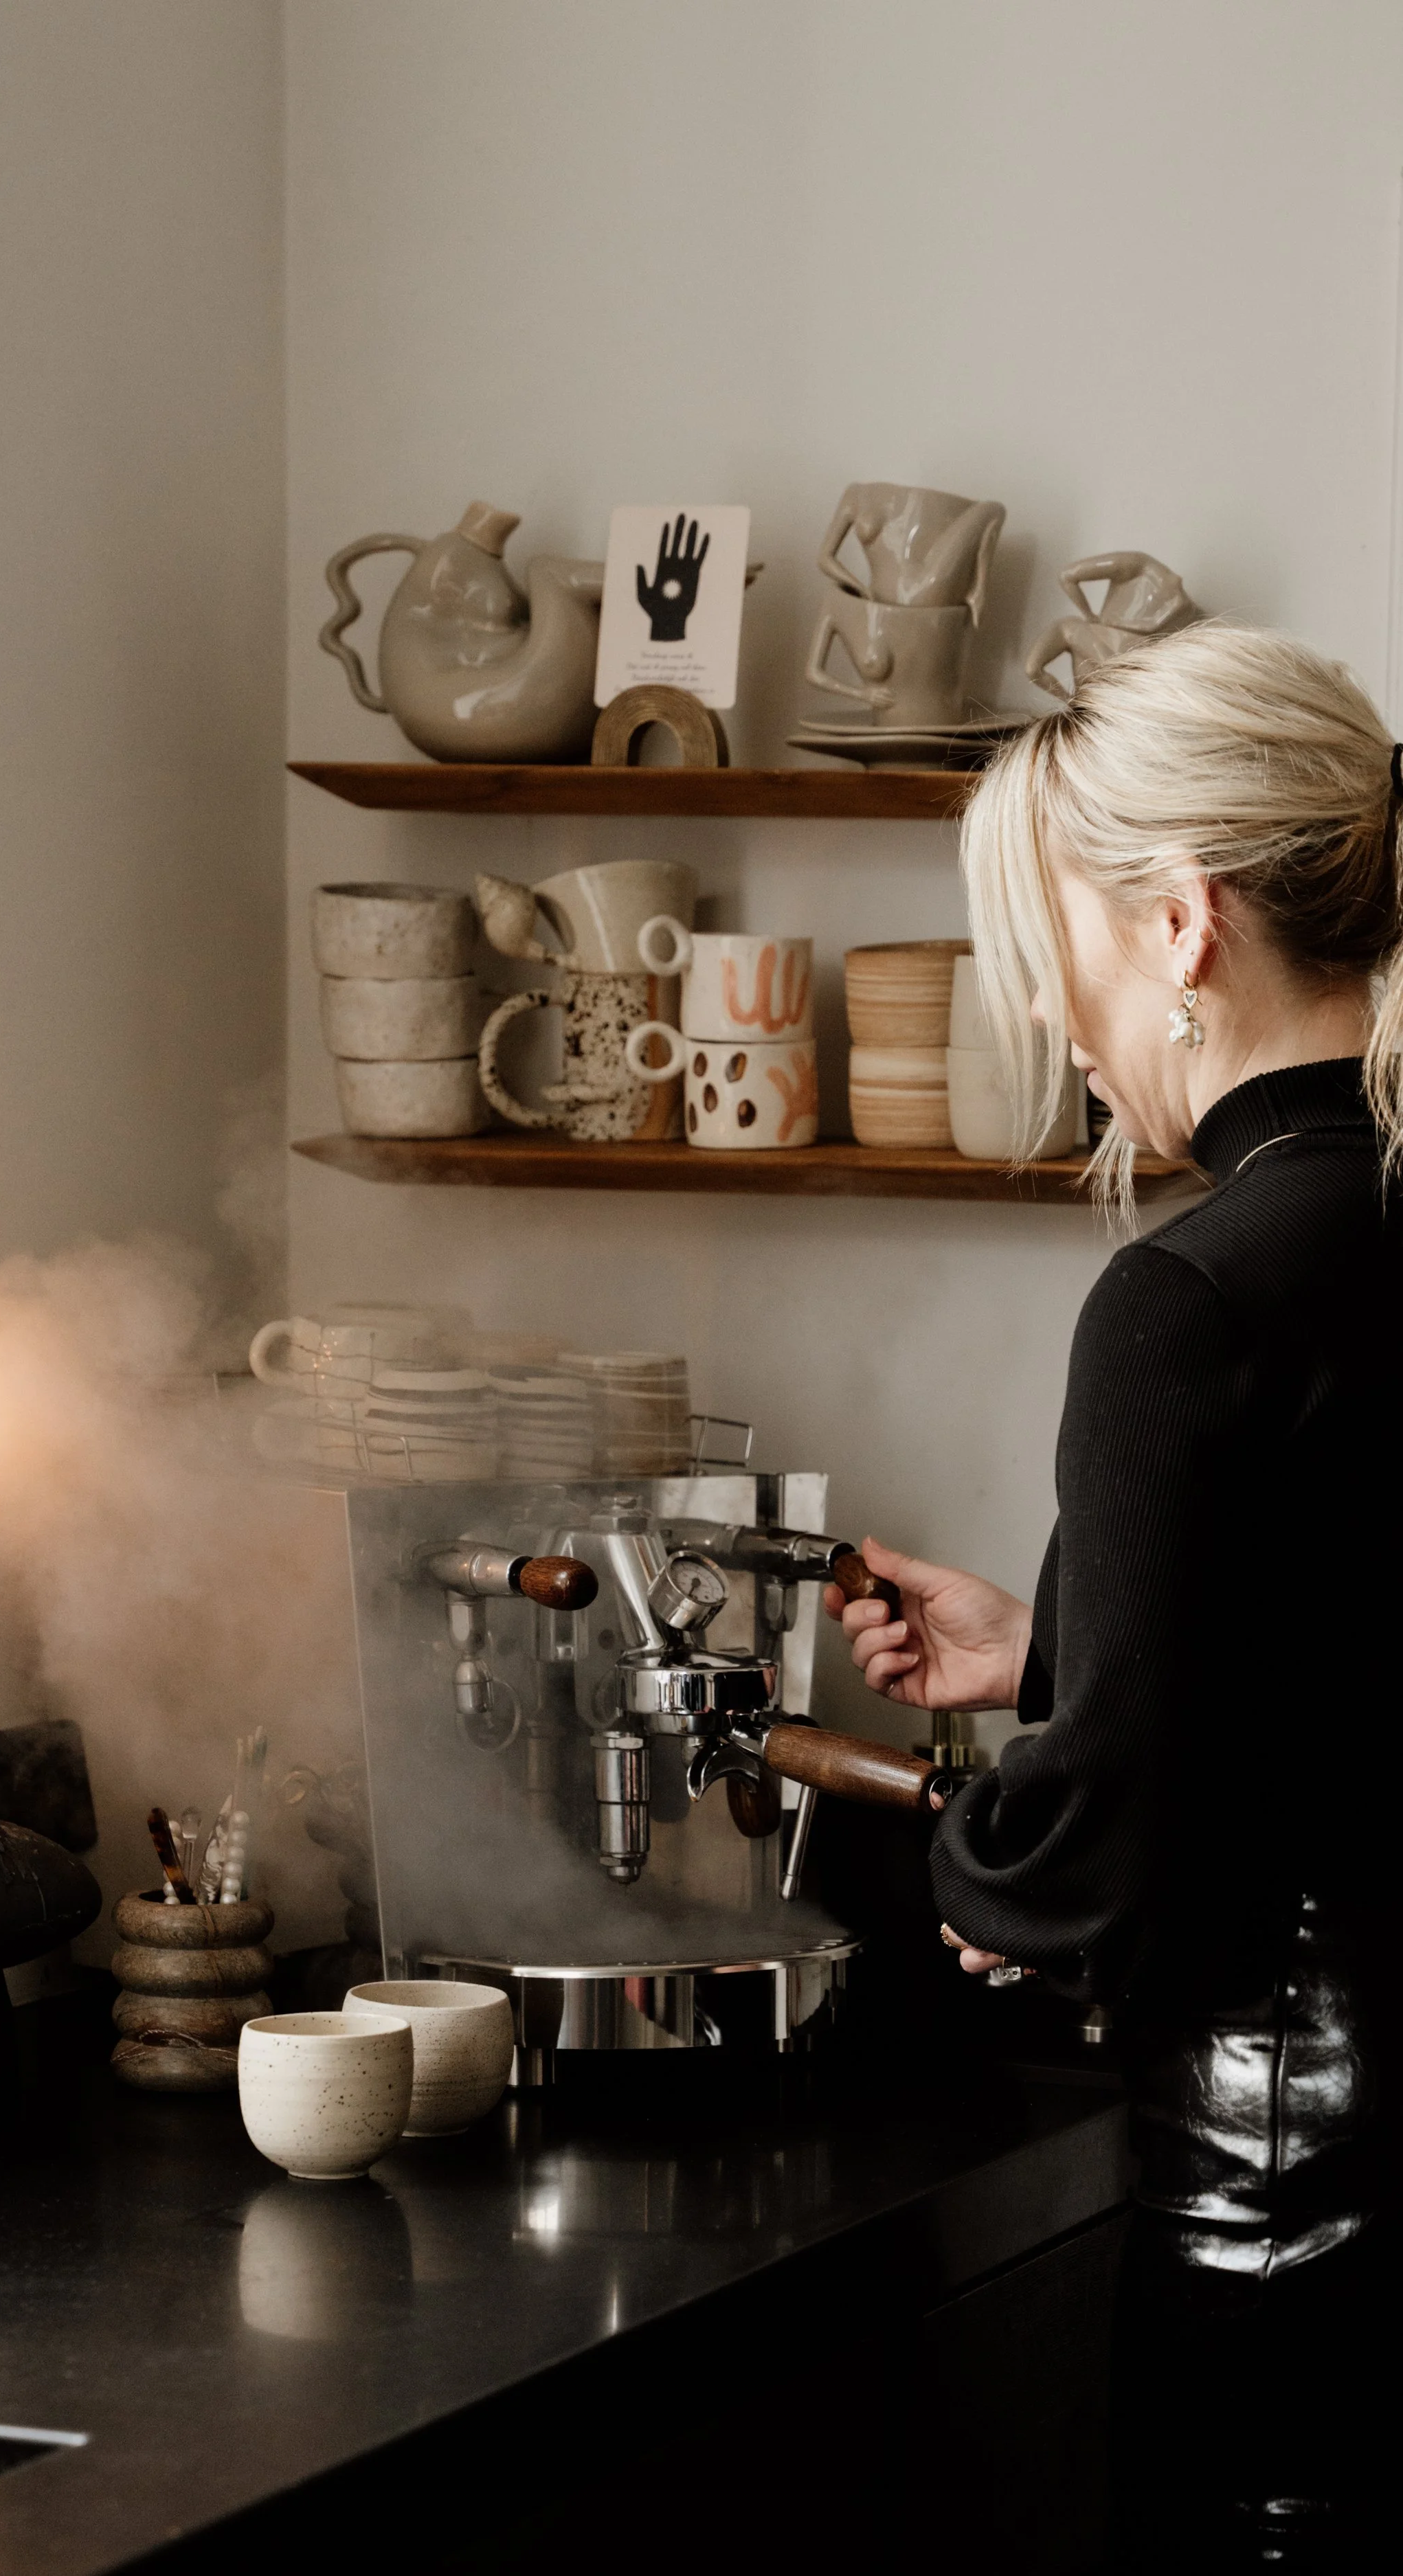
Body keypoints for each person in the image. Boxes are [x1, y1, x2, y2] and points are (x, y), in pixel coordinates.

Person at [825, 624, 1395, 2571]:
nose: (1046, 1011)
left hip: (1295, 2190)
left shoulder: (1184, 1298)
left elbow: (1098, 1856)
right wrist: (1051, 1647)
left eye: (1048, 935)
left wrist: (995, 1856)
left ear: (1178, 920)